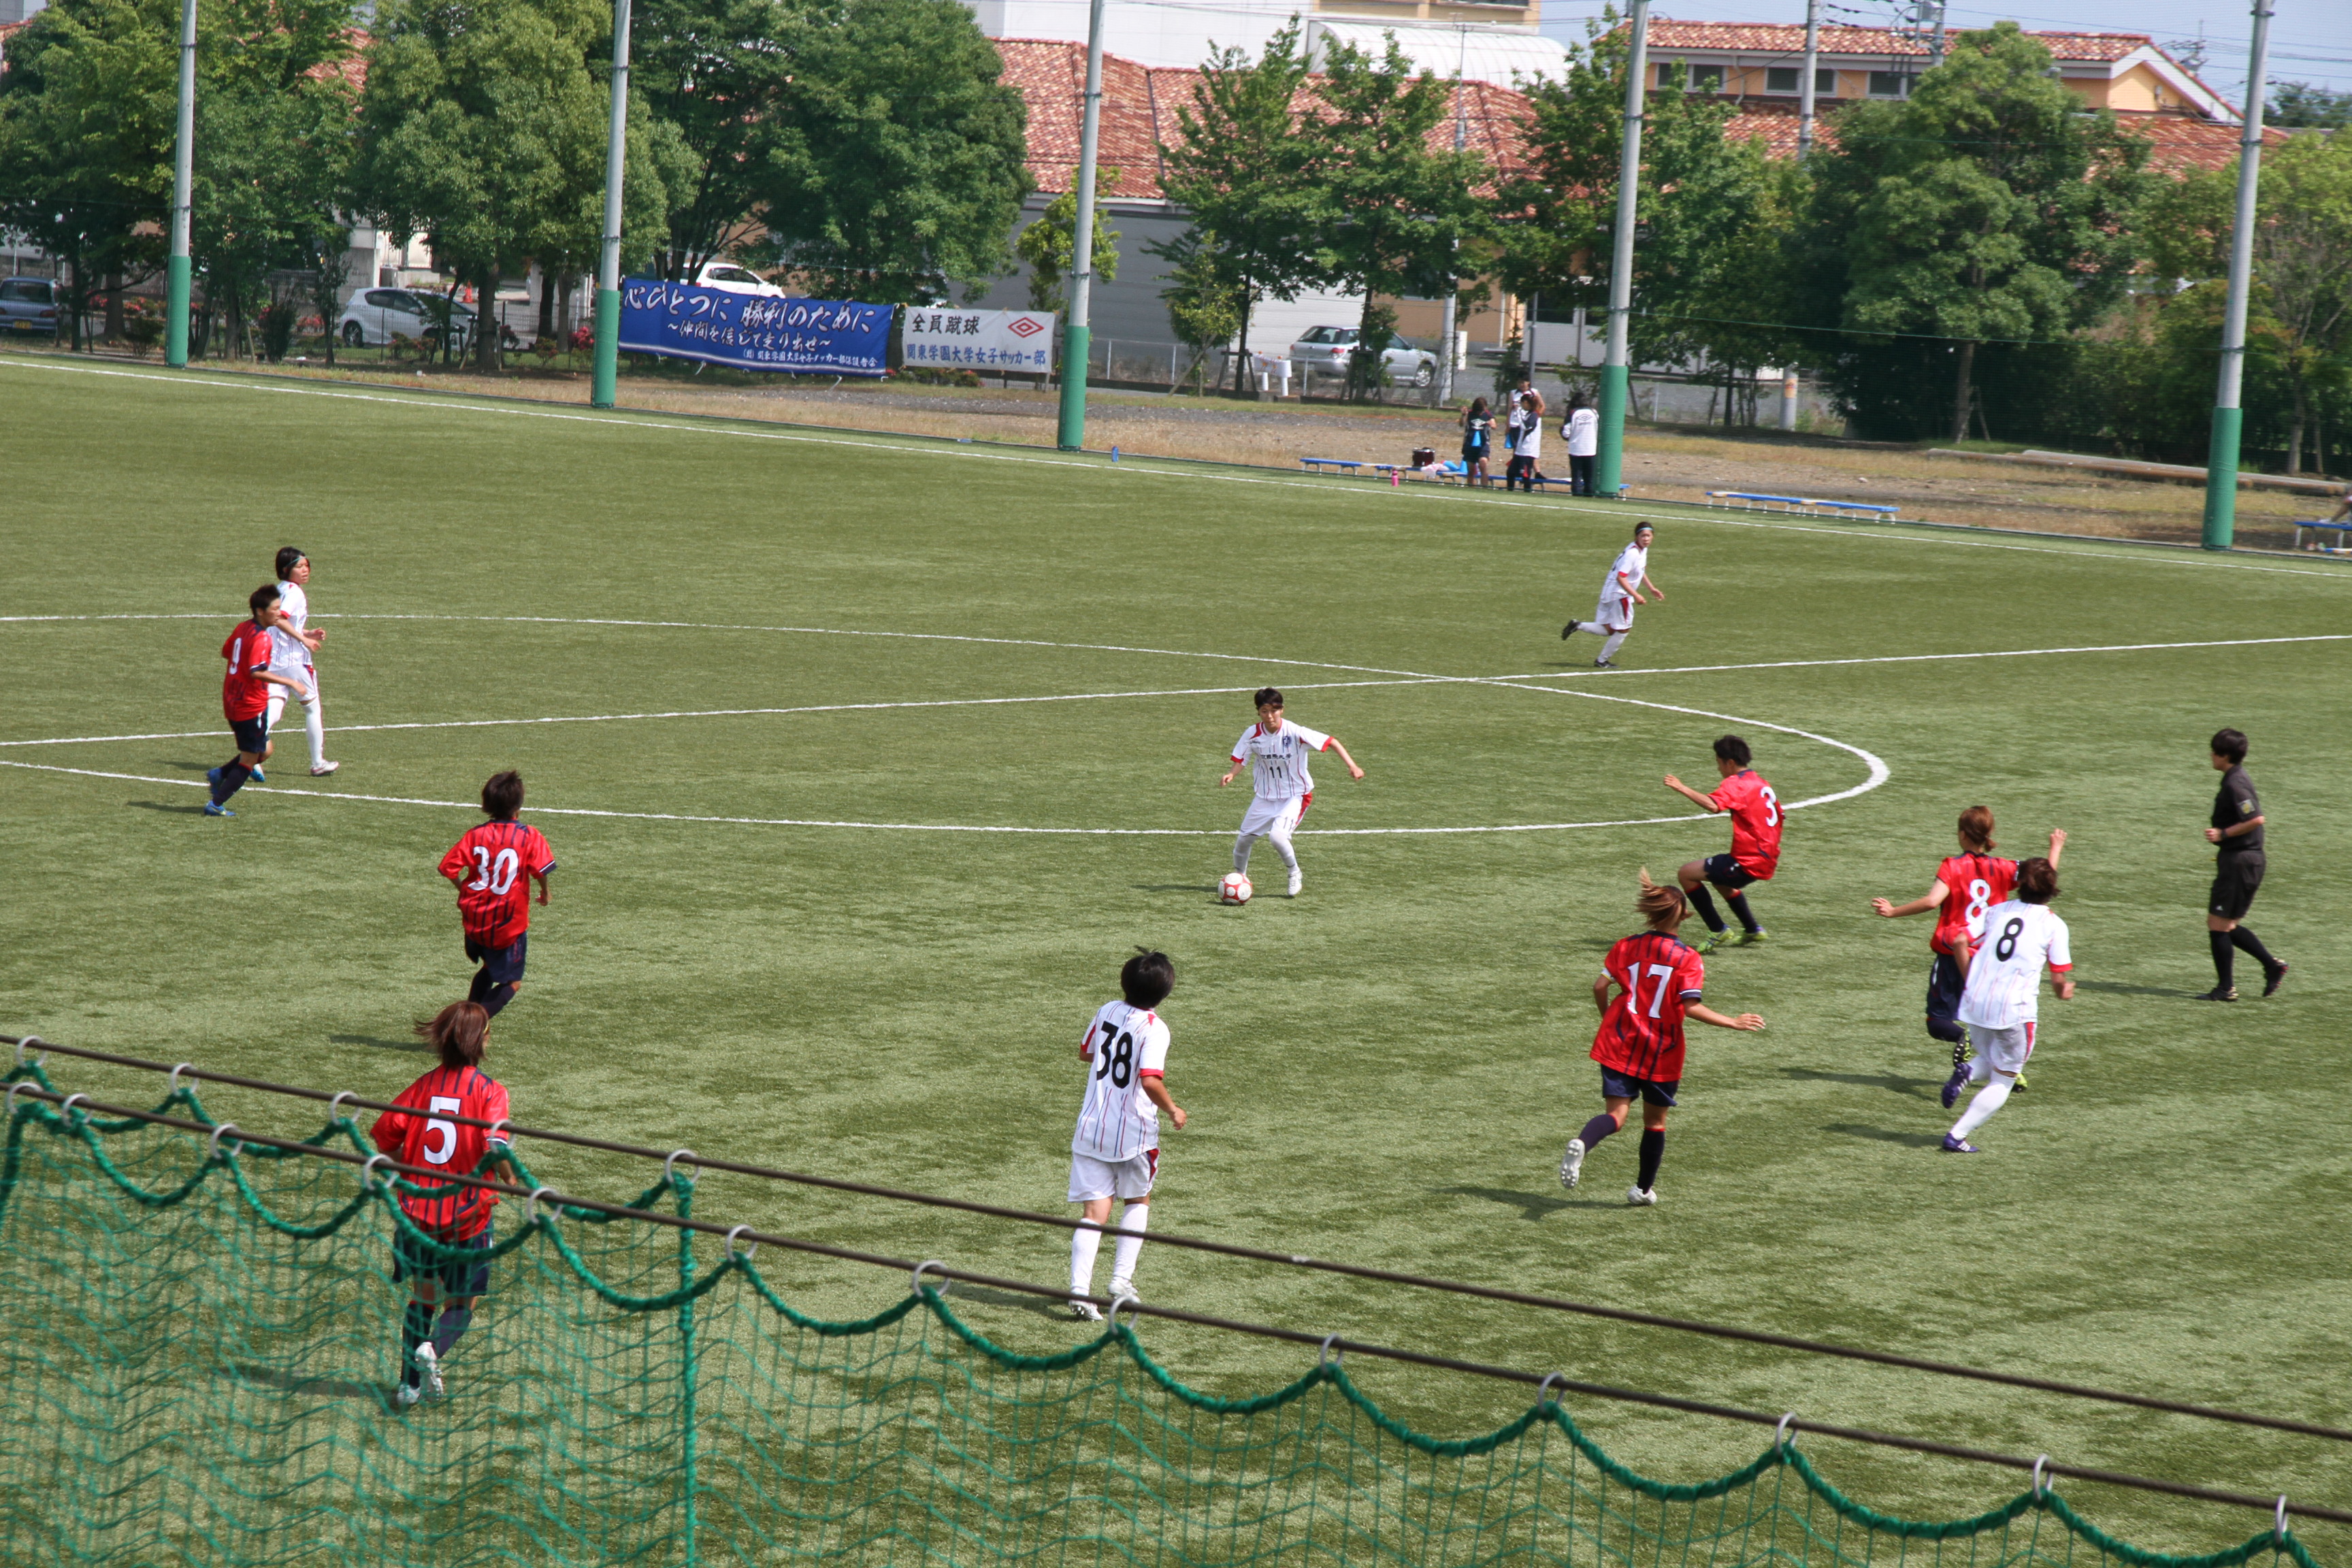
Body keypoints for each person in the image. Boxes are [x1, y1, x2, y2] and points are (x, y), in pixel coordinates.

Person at [1558, 870, 1765, 1205]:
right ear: (1685, 915)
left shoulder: (1626, 946)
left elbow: (1599, 987)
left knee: (1617, 1116)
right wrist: (1733, 1021)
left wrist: (1608, 1020)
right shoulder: (1688, 958)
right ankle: (1642, 1190)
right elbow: (1690, 1007)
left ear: (1651, 913)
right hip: (1662, 1050)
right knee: (1655, 1122)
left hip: (1620, 1042)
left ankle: (1584, 1141)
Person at [372, 1000, 517, 1404]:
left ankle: (407, 1387)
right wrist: (510, 1177)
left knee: (422, 1296)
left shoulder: (422, 1086)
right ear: (479, 1041)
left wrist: (409, 1170)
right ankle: (433, 1350)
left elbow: (385, 1134)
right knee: (463, 1301)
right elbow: (496, 1143)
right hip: (468, 1216)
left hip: (417, 1215)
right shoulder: (491, 1091)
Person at [1872, 808, 2065, 1107]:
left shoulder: (1952, 866)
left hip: (1954, 953)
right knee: (1994, 1017)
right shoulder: (2003, 867)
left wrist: (1893, 910)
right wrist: (2055, 849)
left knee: (1937, 1021)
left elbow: (1933, 901)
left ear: (1962, 834)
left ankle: (1960, 1040)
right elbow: (2042, 881)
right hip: (1988, 959)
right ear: (1988, 835)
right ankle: (2012, 1071)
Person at [1066, 949, 1186, 1320]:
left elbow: (1086, 1054)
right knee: (1137, 1201)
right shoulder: (1155, 1027)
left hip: (1091, 1129)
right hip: (1133, 1134)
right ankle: (1120, 1280)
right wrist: (1173, 1109)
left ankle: (1079, 1292)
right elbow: (1149, 1080)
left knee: (1094, 1213)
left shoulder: (1106, 1010)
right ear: (1164, 992)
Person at [1943, 858, 2072, 1152]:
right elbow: (2058, 980)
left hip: (1976, 1002)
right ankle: (1957, 1136)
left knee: (1993, 1056)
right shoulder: (2054, 924)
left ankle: (1968, 1071)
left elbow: (1960, 941)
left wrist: (1970, 980)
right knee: (2006, 1077)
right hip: (2014, 1008)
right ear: (2052, 889)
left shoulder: (1996, 911)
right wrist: (2065, 991)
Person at [1220, 687, 1365, 899]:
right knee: (1243, 841)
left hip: (1294, 796)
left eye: (1274, 710)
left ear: (1282, 710)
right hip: (1264, 798)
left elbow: (1331, 741)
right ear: (1258, 712)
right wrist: (1231, 774)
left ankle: (1294, 872)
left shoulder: (1295, 732)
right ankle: (1240, 877)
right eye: (1264, 711)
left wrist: (1352, 766)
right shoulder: (1252, 734)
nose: (1270, 716)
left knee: (1278, 837)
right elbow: (1242, 759)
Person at [437, 770, 556, 1018]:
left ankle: (470, 1017)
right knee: (512, 982)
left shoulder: (475, 835)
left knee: (490, 968)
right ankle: (472, 1023)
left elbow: (448, 869)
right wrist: (545, 893)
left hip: (475, 922)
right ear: (518, 806)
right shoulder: (529, 836)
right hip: (507, 925)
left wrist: (464, 892)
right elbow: (541, 870)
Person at [1663, 735, 1780, 951]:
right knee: (1720, 879)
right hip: (1767, 856)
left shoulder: (1737, 784)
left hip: (1749, 860)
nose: (1719, 769)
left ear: (1730, 763)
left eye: (1719, 763)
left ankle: (1718, 929)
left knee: (1686, 873)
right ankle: (1753, 929)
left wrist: (1682, 788)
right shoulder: (1761, 783)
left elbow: (1714, 805)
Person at [204, 585, 312, 819]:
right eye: (275, 609)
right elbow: (256, 671)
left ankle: (219, 773)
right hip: (250, 705)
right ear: (260, 611)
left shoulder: (243, 627)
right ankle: (216, 803)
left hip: (232, 699)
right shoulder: (262, 638)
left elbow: (226, 652)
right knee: (251, 760)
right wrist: (290, 682)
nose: (279, 613)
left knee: (265, 750)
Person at [2200, 728, 2285, 1001]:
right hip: (2241, 861)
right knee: (2226, 925)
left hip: (2241, 861)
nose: (2211, 755)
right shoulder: (2234, 778)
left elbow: (2256, 819)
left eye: (2214, 751)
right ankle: (2272, 966)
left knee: (2218, 924)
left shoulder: (2236, 783)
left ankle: (2226, 988)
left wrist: (2223, 834)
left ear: (2225, 755)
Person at [261, 546, 337, 779]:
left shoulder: (278, 590)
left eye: (307, 566)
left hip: (272, 659)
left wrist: (307, 631)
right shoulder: (295, 593)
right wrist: (304, 639)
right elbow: (279, 619)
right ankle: (317, 763)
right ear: (286, 569)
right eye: (300, 566)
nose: (306, 570)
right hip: (294, 661)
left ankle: (253, 753)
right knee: (312, 708)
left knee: (274, 708)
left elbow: (278, 622)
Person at [1561, 523, 1661, 668]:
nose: (1645, 539)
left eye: (1648, 536)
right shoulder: (1632, 554)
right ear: (1636, 537)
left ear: (1653, 537)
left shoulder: (1641, 551)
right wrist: (1637, 595)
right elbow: (1621, 577)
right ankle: (1602, 661)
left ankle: (1577, 625)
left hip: (1609, 591)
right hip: (1619, 594)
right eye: (1642, 536)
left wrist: (1651, 588)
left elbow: (1640, 571)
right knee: (1623, 630)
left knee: (1609, 629)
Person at [1507, 391, 1548, 491]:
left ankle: (1527, 492)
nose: (1521, 405)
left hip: (1528, 451)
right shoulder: (1529, 414)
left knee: (1525, 475)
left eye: (1522, 403)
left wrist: (1518, 413)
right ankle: (1510, 491)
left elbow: (1526, 427)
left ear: (1527, 403)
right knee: (1511, 472)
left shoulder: (1535, 415)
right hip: (1520, 451)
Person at [1564, 393, 1599, 495]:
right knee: (1590, 478)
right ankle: (1589, 497)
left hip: (1576, 450)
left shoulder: (1572, 413)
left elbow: (1566, 433)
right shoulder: (1594, 413)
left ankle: (1577, 497)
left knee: (1577, 478)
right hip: (1591, 449)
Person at [1460, 397, 1494, 488]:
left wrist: (1490, 423)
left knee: (1483, 464)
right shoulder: (1470, 414)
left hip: (1483, 444)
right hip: (1469, 444)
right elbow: (1461, 424)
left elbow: (1494, 425)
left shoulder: (1488, 414)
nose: (1480, 413)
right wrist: (1463, 415)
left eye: (1482, 410)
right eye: (1479, 411)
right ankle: (1471, 488)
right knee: (1471, 469)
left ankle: (1485, 488)